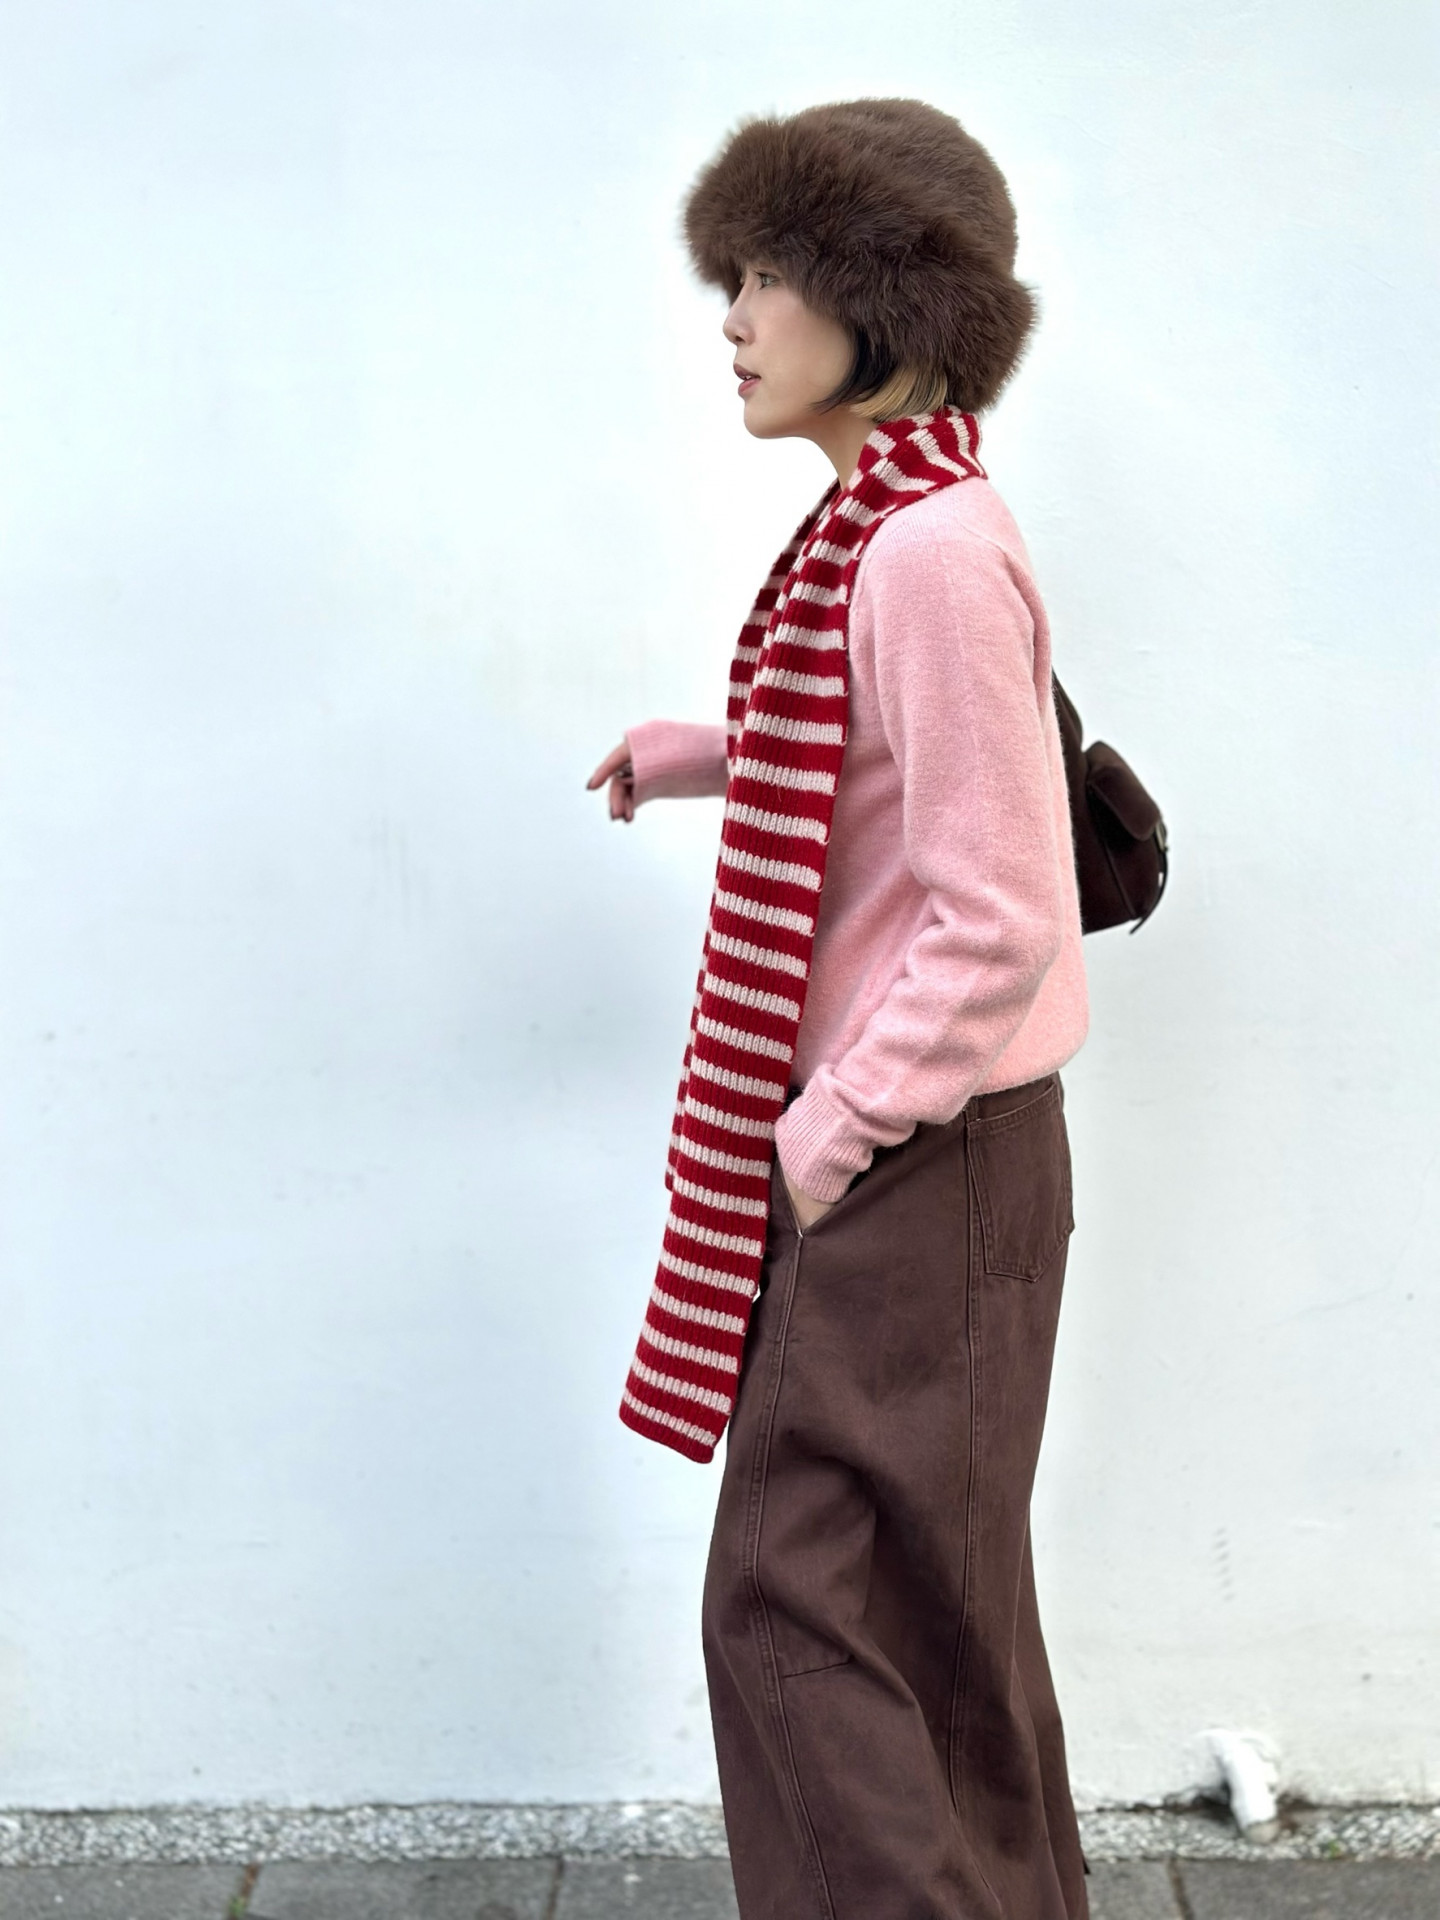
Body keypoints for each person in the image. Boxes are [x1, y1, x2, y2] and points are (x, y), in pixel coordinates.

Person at [587, 98, 1091, 1920]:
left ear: (885, 303)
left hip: (910, 1165)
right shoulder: (901, 522)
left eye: (770, 275)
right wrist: (704, 753)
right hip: (956, 1158)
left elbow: (1000, 915)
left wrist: (827, 1132)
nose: (733, 317)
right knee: (937, 1622)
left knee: (791, 1612)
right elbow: (884, 752)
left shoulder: (923, 551)